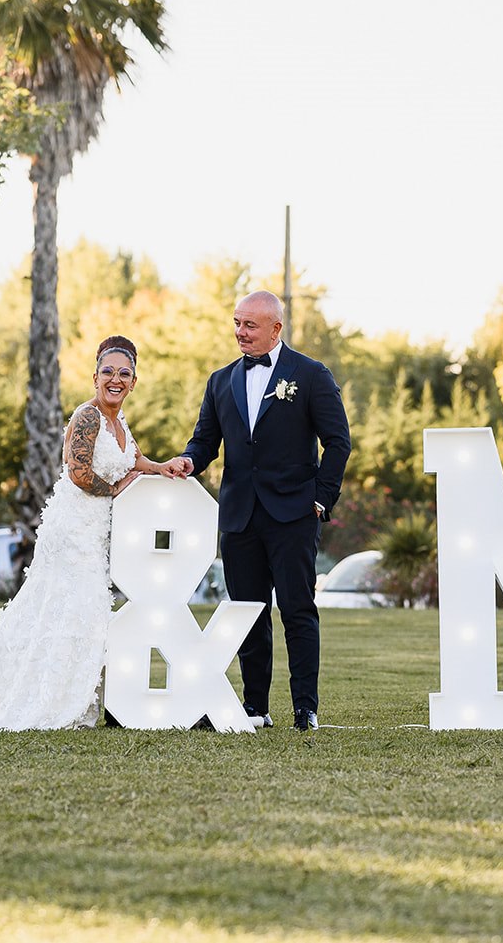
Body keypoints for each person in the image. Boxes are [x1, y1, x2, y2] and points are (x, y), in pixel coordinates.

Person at [0, 336, 179, 730]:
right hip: (72, 530)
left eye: (124, 373)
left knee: (81, 614)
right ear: (94, 376)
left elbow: (132, 459)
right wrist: (118, 487)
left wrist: (160, 467)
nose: (115, 379)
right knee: (71, 609)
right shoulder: (88, 416)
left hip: (93, 533)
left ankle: (69, 699)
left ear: (134, 381)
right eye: (108, 372)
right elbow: (79, 472)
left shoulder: (118, 422)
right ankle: (45, 701)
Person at [161, 291, 351, 731]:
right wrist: (190, 460)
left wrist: (321, 499)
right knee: (247, 612)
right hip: (240, 517)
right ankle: (254, 708)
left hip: (293, 515)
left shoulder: (310, 374)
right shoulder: (220, 380)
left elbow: (338, 442)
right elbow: (205, 441)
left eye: (250, 325)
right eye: (237, 323)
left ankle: (305, 708)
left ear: (276, 329)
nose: (240, 332)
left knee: (298, 609)